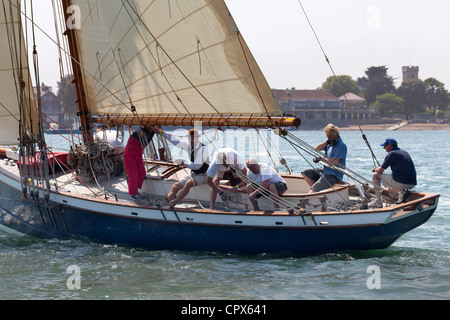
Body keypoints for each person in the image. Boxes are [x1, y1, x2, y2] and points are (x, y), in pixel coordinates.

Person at [155, 128, 210, 208]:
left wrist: (183, 161)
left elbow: (196, 166)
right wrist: (161, 133)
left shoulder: (203, 149)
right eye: (190, 139)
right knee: (175, 186)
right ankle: (164, 203)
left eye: (193, 139)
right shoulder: (189, 145)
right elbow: (176, 141)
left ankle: (173, 203)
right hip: (194, 174)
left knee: (188, 183)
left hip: (205, 175)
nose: (191, 141)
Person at [371, 137, 417, 208]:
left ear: (389, 145)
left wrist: (375, 169)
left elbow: (380, 170)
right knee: (388, 181)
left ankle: (379, 202)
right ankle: (401, 192)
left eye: (385, 145)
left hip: (403, 183)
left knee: (375, 175)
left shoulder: (392, 154)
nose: (383, 148)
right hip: (412, 183)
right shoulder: (404, 152)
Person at [301, 124, 347, 192]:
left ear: (334, 135)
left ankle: (315, 191)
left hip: (334, 174)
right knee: (305, 173)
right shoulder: (330, 143)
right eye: (327, 136)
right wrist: (326, 142)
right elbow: (317, 149)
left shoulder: (341, 146)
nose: (327, 137)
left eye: (329, 136)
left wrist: (321, 159)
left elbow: (334, 162)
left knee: (314, 189)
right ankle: (319, 192)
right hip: (325, 170)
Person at [124, 124, 155, 201]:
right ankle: (133, 194)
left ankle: (135, 190)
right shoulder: (139, 132)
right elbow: (144, 143)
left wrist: (153, 132)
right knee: (133, 175)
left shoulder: (146, 132)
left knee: (142, 172)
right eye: (152, 126)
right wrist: (153, 132)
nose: (152, 127)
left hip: (138, 154)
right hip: (130, 155)